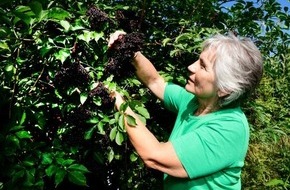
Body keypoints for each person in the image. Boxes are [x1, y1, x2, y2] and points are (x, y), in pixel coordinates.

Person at [108, 31, 263, 190]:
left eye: (203, 66)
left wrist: (115, 98)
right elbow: (156, 82)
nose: (191, 67)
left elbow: (154, 155)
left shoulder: (230, 128)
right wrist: (130, 50)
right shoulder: (193, 102)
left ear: (225, 89)